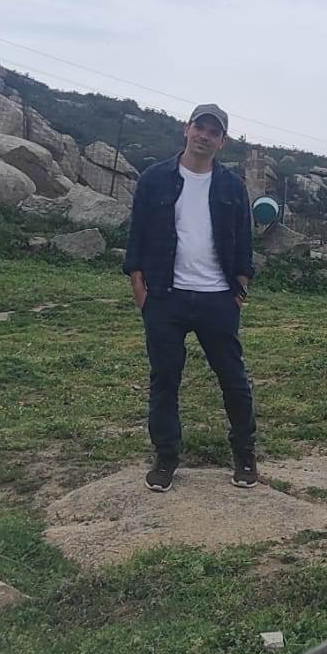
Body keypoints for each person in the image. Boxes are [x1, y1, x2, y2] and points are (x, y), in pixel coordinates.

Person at [122, 102, 258, 491]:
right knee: (164, 379)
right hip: (166, 297)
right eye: (200, 126)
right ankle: (165, 459)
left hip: (218, 299)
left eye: (214, 131)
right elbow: (138, 235)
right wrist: (138, 286)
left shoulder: (233, 186)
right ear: (187, 129)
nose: (205, 135)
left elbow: (244, 244)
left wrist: (240, 287)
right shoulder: (155, 179)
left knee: (233, 379)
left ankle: (244, 453)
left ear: (222, 141)